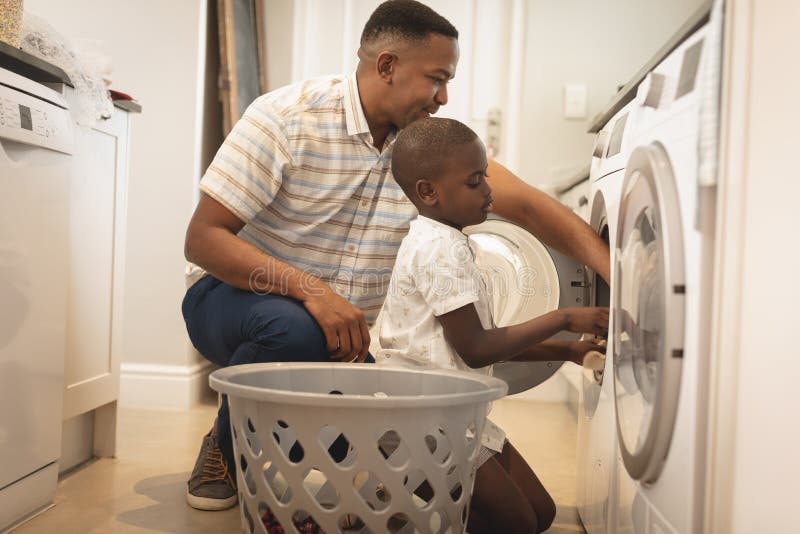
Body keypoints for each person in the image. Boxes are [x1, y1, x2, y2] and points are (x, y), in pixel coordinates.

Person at [181, 0, 610, 513]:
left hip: (354, 338)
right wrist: (310, 291)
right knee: (295, 329)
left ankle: (309, 458)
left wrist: (618, 275)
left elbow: (537, 210)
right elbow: (204, 239)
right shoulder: (286, 118)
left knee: (365, 445)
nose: (444, 96)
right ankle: (226, 448)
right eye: (437, 78)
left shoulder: (426, 152)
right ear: (388, 66)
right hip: (236, 301)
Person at [378, 116, 608, 534]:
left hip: (454, 413)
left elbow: (481, 341)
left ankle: (424, 515)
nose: (488, 191)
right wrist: (567, 318)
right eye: (474, 182)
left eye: (485, 177)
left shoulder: (450, 242)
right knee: (517, 523)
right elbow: (477, 349)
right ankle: (407, 507)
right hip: (421, 423)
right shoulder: (437, 250)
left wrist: (567, 350)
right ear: (428, 192)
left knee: (540, 514)